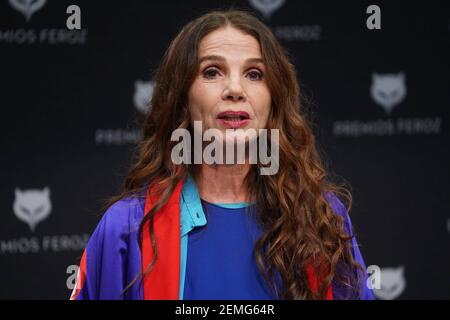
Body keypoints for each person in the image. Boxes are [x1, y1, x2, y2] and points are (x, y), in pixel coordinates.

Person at [70, 10, 374, 300]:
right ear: (182, 99)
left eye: (254, 74)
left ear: (274, 101)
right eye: (212, 72)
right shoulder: (125, 229)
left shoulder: (321, 218)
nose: (234, 89)